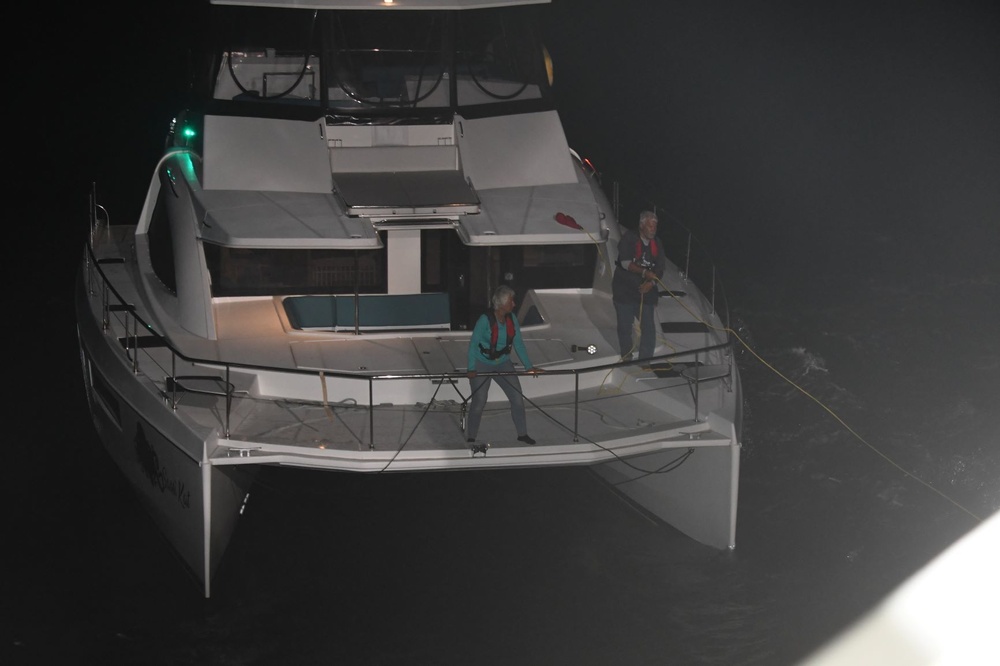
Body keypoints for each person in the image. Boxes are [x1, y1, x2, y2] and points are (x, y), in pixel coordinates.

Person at [466, 285, 543, 445]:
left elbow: (519, 344)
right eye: (511, 301)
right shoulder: (484, 320)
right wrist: (471, 368)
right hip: (482, 363)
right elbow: (473, 344)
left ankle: (522, 434)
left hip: (503, 363)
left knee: (517, 398)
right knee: (479, 400)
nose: (514, 304)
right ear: (501, 304)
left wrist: (529, 366)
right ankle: (471, 436)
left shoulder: (512, 319)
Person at [612, 210, 666, 361]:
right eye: (650, 226)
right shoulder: (629, 238)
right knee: (625, 328)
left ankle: (645, 361)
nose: (653, 229)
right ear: (642, 226)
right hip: (625, 291)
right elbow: (625, 262)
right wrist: (644, 273)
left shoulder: (657, 243)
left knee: (649, 328)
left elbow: (660, 268)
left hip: (646, 293)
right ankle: (627, 357)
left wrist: (652, 282)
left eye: (655, 226)